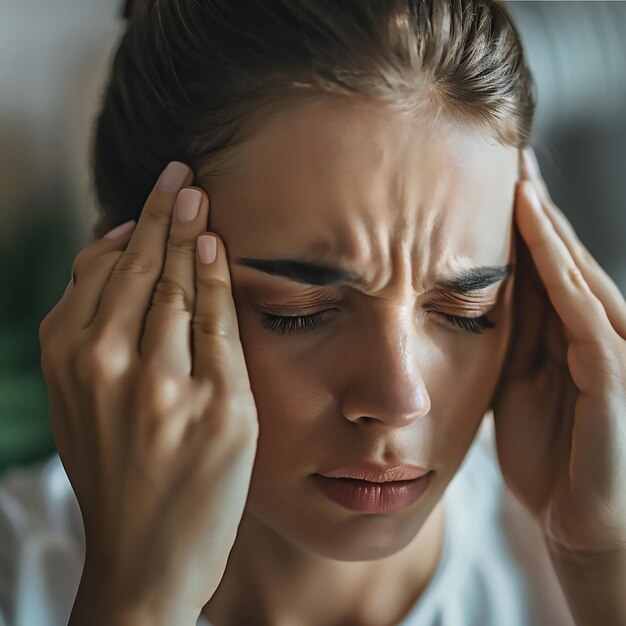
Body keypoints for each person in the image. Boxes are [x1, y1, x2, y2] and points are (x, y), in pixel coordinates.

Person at [3, 1, 625, 625]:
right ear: (120, 290)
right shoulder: (19, 577)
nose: (401, 398)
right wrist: (136, 598)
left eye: (467, 307)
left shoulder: (577, 554)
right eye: (300, 310)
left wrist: (605, 565)